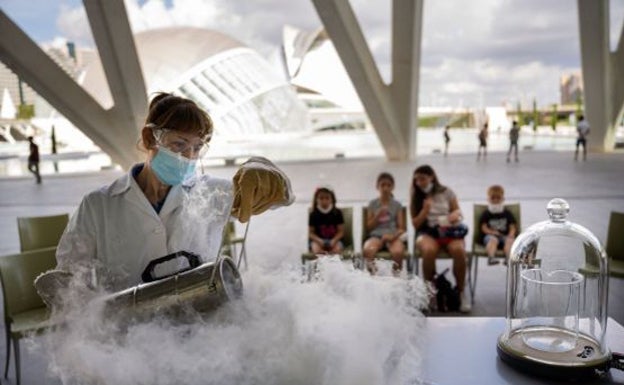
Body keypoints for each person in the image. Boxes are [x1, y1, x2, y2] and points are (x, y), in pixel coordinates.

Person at [35, 92, 293, 306]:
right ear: (150, 139)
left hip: (202, 330)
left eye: (196, 147)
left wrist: (263, 169)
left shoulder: (209, 193)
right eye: (179, 145)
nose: (188, 156)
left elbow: (282, 196)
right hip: (129, 338)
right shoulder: (98, 205)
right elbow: (71, 274)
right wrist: (99, 316)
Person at [410, 165, 470, 312]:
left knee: (459, 250)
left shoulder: (446, 192)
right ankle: (430, 294)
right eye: (416, 180)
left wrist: (454, 215)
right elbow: (415, 224)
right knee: (429, 251)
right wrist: (425, 210)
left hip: (448, 229)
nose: (419, 183)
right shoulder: (416, 196)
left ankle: (461, 292)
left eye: (422, 179)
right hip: (427, 231)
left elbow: (458, 211)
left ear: (431, 177)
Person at [363, 172, 406, 276]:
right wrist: (377, 216)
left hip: (393, 236)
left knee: (398, 252)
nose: (385, 188)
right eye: (382, 185)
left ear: (393, 187)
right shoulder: (373, 204)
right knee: (368, 250)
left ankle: (395, 281)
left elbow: (401, 228)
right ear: (377, 187)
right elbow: (368, 227)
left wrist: (393, 236)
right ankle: (374, 279)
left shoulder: (397, 205)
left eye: (388, 185)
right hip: (376, 236)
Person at [479, 185, 517, 265]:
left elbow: (512, 227)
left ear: (502, 199)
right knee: (493, 240)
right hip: (490, 237)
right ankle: (491, 258)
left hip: (504, 236)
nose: (495, 200)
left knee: (510, 241)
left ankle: (508, 259)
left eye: (498, 198)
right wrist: (491, 232)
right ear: (488, 199)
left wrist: (511, 234)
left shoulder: (507, 213)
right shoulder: (486, 213)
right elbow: (483, 227)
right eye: (493, 198)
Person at [308, 186, 344, 255]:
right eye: (321, 198)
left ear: (332, 199)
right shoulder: (313, 214)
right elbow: (311, 233)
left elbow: (341, 232)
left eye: (327, 198)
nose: (324, 201)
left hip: (335, 240)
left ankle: (333, 265)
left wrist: (334, 241)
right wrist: (319, 241)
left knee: (336, 250)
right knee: (317, 250)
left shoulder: (337, 212)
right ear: (316, 199)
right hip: (318, 241)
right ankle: (321, 265)